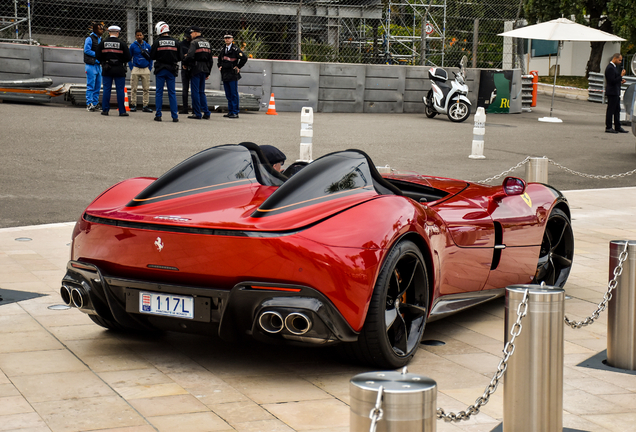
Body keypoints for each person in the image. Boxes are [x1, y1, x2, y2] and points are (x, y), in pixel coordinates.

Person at [96, 25, 131, 117]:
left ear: (109, 33)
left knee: (107, 89)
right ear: (118, 33)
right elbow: (128, 57)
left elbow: (98, 55)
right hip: (119, 69)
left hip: (107, 68)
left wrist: (104, 62)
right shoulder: (122, 44)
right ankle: (122, 111)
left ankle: (105, 110)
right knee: (120, 90)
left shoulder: (103, 43)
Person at [150, 21, 181, 122]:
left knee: (159, 92)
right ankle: (174, 116)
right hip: (171, 69)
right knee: (172, 93)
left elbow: (152, 56)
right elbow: (180, 57)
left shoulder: (157, 42)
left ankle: (158, 115)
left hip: (160, 69)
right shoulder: (176, 42)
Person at [184, 26, 213, 120]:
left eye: (192, 33)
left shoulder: (194, 42)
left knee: (195, 92)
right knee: (201, 92)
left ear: (195, 33)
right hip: (205, 69)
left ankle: (197, 113)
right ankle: (206, 112)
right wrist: (208, 72)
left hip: (195, 69)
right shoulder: (207, 43)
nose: (191, 35)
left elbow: (190, 55)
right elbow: (210, 60)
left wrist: (185, 62)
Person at [217, 34, 247, 119]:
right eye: (225, 38)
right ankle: (230, 111)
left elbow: (244, 58)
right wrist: (219, 66)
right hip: (225, 74)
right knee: (228, 94)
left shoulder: (235, 49)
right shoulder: (223, 49)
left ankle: (235, 112)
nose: (227, 39)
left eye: (228, 38)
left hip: (232, 74)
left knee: (233, 93)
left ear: (232, 39)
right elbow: (219, 59)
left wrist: (238, 67)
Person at [128, 29, 153, 113]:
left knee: (146, 89)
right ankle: (133, 104)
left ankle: (145, 105)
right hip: (136, 68)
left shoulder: (148, 46)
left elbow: (151, 58)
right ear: (135, 36)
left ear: (143, 36)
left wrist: (149, 68)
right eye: (137, 35)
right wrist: (132, 68)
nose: (139, 36)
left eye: (140, 35)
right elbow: (129, 58)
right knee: (133, 88)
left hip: (145, 68)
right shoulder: (132, 46)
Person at [605, 53, 628, 133]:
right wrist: (621, 76)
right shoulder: (610, 68)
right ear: (615, 58)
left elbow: (616, 79)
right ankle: (609, 127)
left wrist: (621, 81)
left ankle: (618, 126)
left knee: (617, 109)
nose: (620, 62)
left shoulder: (614, 68)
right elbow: (611, 81)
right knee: (611, 110)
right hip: (612, 92)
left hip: (616, 91)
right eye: (619, 60)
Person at [84, 22, 104, 112]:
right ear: (95, 29)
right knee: (90, 85)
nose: (102, 30)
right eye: (100, 29)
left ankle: (95, 103)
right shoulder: (90, 38)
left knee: (98, 85)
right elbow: (86, 50)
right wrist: (97, 55)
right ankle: (89, 103)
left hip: (98, 65)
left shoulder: (101, 39)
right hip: (91, 65)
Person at [179, 28, 193, 114]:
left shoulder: (195, 43)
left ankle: (195, 107)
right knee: (185, 88)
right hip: (184, 67)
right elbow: (180, 55)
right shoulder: (182, 44)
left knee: (194, 89)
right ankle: (185, 108)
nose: (188, 38)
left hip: (193, 67)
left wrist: (187, 56)